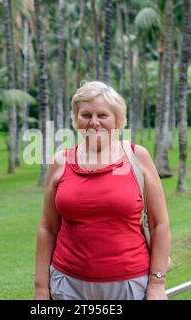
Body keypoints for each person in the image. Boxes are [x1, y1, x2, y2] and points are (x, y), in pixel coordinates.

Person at [34, 81, 171, 300]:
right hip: (67, 285)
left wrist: (157, 283)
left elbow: (159, 225)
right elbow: (47, 228)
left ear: (118, 120)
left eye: (103, 115)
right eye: (86, 115)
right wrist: (41, 288)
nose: (94, 123)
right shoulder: (60, 162)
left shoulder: (137, 157)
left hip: (128, 285)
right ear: (76, 119)